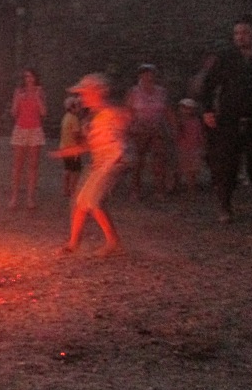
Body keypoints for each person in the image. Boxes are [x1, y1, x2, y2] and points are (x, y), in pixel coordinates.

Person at [201, 17, 252, 222]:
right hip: (230, 118)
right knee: (228, 165)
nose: (240, 37)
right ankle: (225, 206)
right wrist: (208, 110)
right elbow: (209, 84)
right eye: (237, 33)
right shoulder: (226, 58)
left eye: (245, 33)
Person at [52, 74, 129, 258]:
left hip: (113, 162)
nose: (82, 97)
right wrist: (68, 152)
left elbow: (123, 131)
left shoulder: (110, 113)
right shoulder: (93, 117)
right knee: (80, 202)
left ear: (98, 93)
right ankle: (73, 243)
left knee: (93, 201)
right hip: (100, 163)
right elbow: (91, 145)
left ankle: (113, 242)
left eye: (85, 93)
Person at [125, 64, 172, 200]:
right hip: (139, 130)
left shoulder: (161, 92)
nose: (148, 76)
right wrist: (127, 128)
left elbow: (167, 110)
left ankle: (159, 190)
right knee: (138, 161)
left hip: (157, 128)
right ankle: (135, 190)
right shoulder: (133, 92)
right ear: (140, 75)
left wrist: (174, 127)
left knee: (159, 160)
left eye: (150, 73)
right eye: (144, 73)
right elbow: (128, 111)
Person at [9, 68, 46, 209]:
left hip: (35, 129)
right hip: (21, 129)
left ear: (35, 78)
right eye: (26, 77)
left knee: (33, 166)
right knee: (17, 166)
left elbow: (43, 112)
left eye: (31, 76)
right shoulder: (19, 92)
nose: (28, 79)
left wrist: (36, 97)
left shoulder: (39, 92)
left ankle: (30, 198)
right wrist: (18, 99)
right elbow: (13, 112)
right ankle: (14, 197)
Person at [175, 98, 206, 195]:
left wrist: (203, 145)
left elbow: (200, 134)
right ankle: (177, 186)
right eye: (184, 108)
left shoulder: (196, 121)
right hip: (181, 148)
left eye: (189, 108)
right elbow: (176, 134)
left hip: (194, 148)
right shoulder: (178, 121)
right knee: (178, 169)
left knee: (192, 171)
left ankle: (191, 189)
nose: (187, 110)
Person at [59, 96, 83, 198]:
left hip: (64, 147)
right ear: (73, 107)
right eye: (78, 106)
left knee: (67, 169)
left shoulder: (66, 117)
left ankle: (65, 189)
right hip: (73, 149)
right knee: (75, 170)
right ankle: (73, 190)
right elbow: (76, 134)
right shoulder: (74, 119)